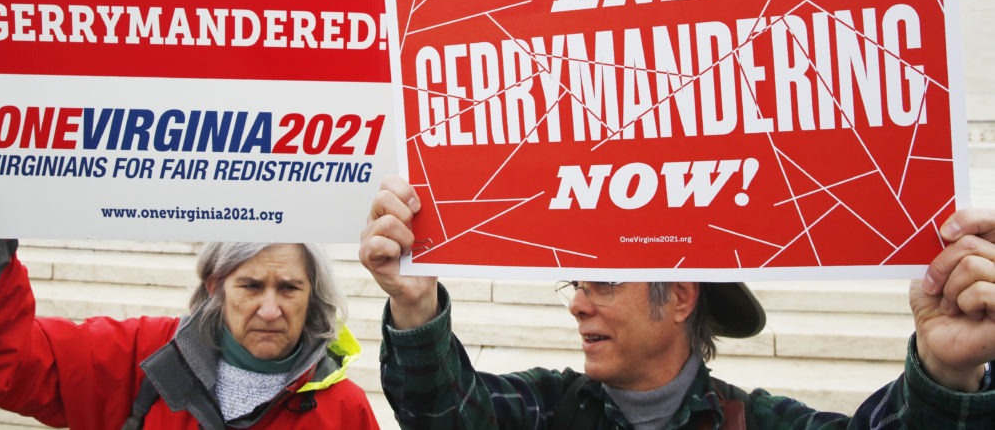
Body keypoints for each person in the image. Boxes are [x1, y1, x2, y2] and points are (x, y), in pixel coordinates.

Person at [360, 175, 995, 429]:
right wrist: (415, 305)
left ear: (681, 298)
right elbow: (443, 412)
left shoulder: (763, 423)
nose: (577, 304)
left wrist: (948, 373)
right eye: (576, 284)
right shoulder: (543, 409)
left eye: (602, 283)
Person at [0, 167, 380, 430]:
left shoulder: (344, 408)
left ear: (313, 295)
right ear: (215, 286)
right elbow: (2, 366)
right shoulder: (141, 357)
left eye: (288, 287)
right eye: (249, 285)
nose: (269, 308)